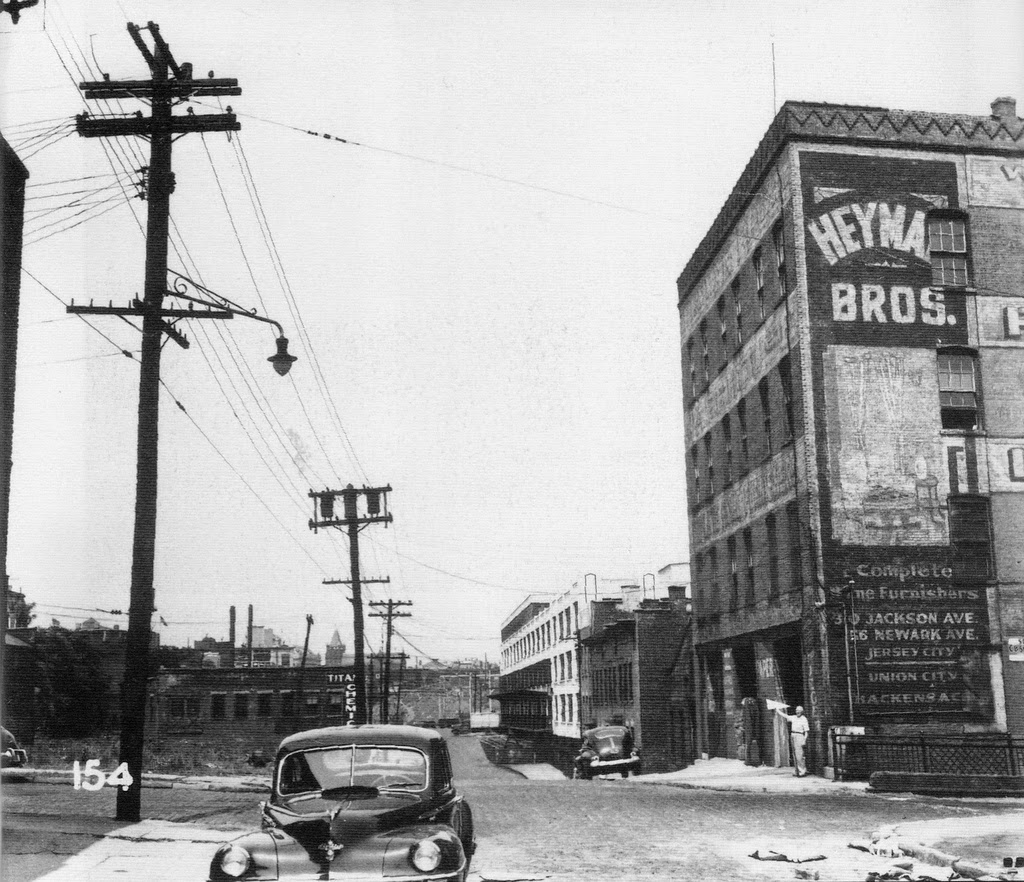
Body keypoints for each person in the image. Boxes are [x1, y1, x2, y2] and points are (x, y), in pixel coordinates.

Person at [776, 705, 809, 777]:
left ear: (802, 712)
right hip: (793, 735)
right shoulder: (793, 717)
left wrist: (804, 740)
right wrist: (777, 710)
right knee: (794, 754)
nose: (798, 712)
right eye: (797, 710)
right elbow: (785, 715)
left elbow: (806, 732)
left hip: (800, 736)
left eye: (799, 711)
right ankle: (797, 771)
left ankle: (802, 771)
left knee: (799, 755)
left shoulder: (804, 719)